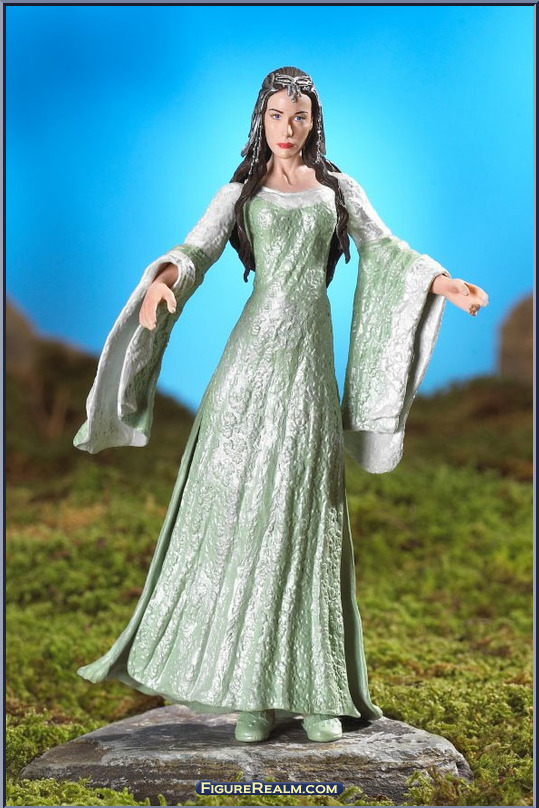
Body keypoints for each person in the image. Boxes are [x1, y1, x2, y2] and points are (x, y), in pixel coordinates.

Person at [74, 67, 488, 744]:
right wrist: (163, 284)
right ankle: (253, 693)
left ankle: (315, 686)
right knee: (243, 509)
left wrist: (441, 283)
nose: (287, 128)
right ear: (260, 120)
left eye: (298, 116)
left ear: (313, 120)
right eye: (275, 115)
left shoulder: (337, 189)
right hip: (249, 361)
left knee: (306, 506)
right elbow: (196, 248)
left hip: (308, 363)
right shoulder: (240, 191)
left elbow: (387, 252)